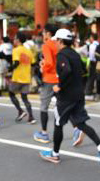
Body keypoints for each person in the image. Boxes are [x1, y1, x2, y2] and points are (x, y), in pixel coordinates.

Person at [40, 29, 100, 163]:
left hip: (67, 96)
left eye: (56, 40)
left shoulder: (62, 54)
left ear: (61, 41)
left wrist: (60, 85)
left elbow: (67, 70)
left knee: (58, 123)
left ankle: (54, 154)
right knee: (81, 123)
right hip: (79, 94)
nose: (55, 43)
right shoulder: (75, 54)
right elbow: (83, 70)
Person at [8, 32, 36, 124]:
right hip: (26, 78)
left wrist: (9, 69)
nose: (14, 40)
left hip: (17, 77)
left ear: (18, 40)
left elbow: (16, 63)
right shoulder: (28, 51)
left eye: (15, 38)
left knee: (11, 94)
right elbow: (33, 64)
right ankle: (31, 117)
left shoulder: (16, 50)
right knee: (25, 98)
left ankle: (20, 111)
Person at [85, 33, 99, 97]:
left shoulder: (91, 45)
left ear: (92, 37)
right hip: (97, 62)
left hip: (93, 62)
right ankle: (96, 91)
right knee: (97, 77)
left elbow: (90, 55)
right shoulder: (98, 44)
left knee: (91, 77)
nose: (90, 38)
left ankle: (89, 91)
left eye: (91, 37)